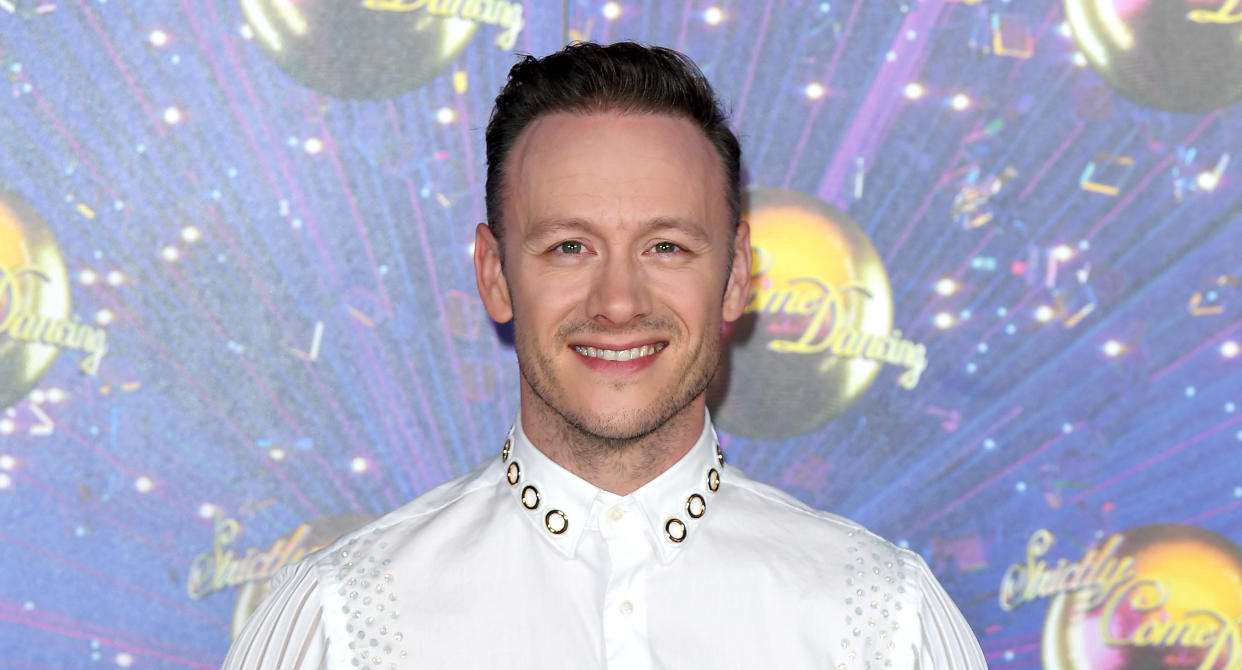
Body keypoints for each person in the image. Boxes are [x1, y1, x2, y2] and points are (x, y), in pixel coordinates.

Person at [221, 42, 987, 669]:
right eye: (569, 246)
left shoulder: (887, 621)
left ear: (736, 278)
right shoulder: (340, 623)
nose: (618, 301)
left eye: (665, 245)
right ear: (494, 276)